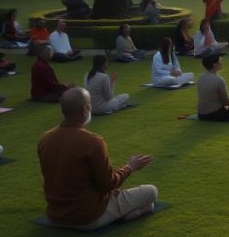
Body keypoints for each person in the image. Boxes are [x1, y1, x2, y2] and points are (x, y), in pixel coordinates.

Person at [37, 88, 158, 229]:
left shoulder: (45, 139)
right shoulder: (93, 142)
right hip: (87, 217)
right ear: (85, 110)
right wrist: (130, 167)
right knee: (151, 191)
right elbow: (108, 184)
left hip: (55, 216)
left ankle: (130, 211)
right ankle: (131, 212)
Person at [196, 53, 229, 121]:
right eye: (219, 62)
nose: (221, 63)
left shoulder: (200, 77)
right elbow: (226, 102)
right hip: (215, 115)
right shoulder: (219, 80)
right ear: (215, 65)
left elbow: (213, 97)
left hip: (201, 115)